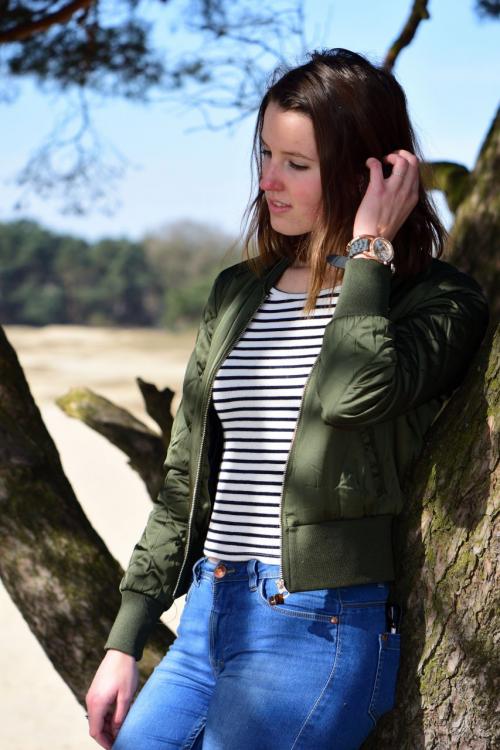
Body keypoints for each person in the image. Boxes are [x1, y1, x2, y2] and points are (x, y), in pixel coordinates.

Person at [85, 48, 489, 750]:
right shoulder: (237, 292)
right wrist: (125, 639)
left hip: (319, 624)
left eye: (297, 164)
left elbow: (352, 394)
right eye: (266, 154)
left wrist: (367, 252)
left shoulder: (436, 300)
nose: (269, 180)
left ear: (372, 172)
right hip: (209, 615)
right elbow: (186, 483)